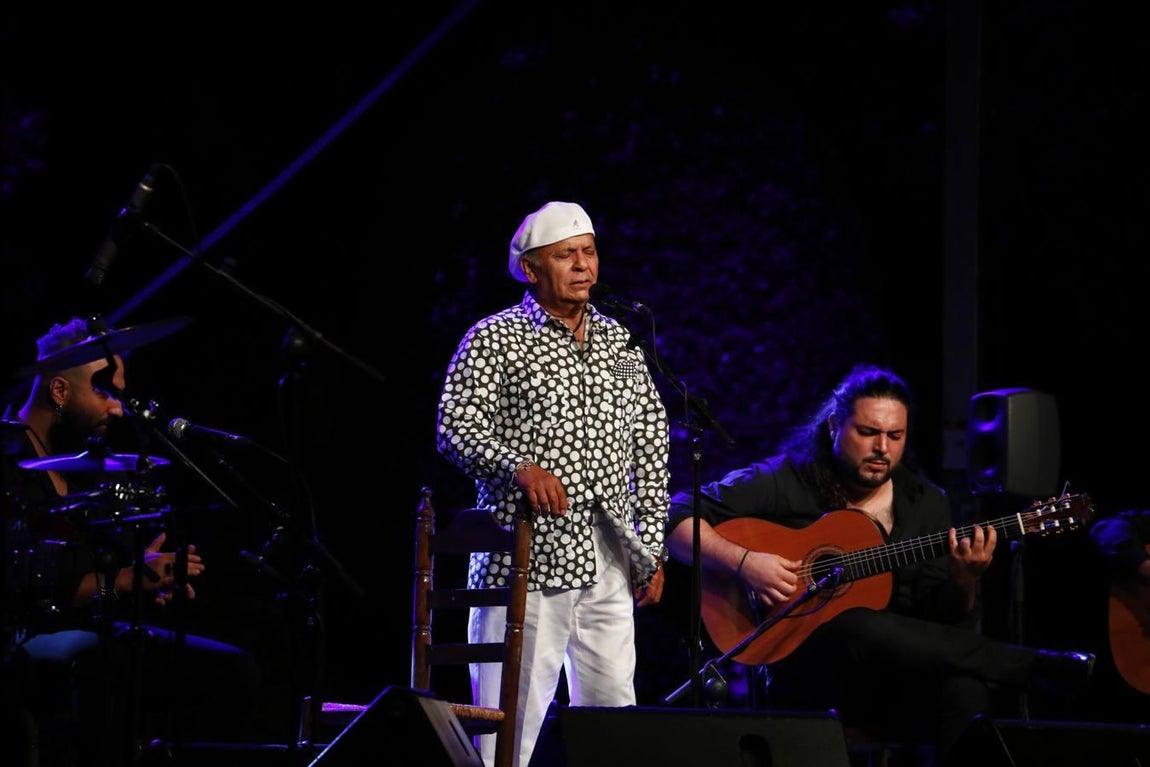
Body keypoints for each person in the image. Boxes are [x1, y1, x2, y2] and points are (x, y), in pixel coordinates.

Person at [665, 363, 1097, 766]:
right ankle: (1030, 668)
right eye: (869, 432)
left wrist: (965, 580)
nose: (882, 448)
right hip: (806, 673)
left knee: (965, 691)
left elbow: (941, 626)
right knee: (857, 621)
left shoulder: (927, 504)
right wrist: (746, 562)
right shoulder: (788, 480)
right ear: (835, 425)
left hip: (894, 681)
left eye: (895, 435)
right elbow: (676, 517)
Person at [436, 200, 671, 767]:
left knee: (614, 718)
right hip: (526, 555)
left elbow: (651, 439)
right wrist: (518, 467)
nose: (583, 265)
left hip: (609, 554)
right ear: (531, 268)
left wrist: (653, 547)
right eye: (567, 255)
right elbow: (455, 425)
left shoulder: (618, 345)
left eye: (589, 252)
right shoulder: (497, 338)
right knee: (506, 729)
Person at [0, 316, 262, 767]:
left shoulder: (78, 465)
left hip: (76, 631)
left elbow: (83, 575)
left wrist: (145, 574)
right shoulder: (7, 458)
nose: (118, 408)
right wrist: (120, 581)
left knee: (233, 671)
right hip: (18, 638)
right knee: (108, 667)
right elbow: (22, 585)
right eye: (104, 390)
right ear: (59, 391)